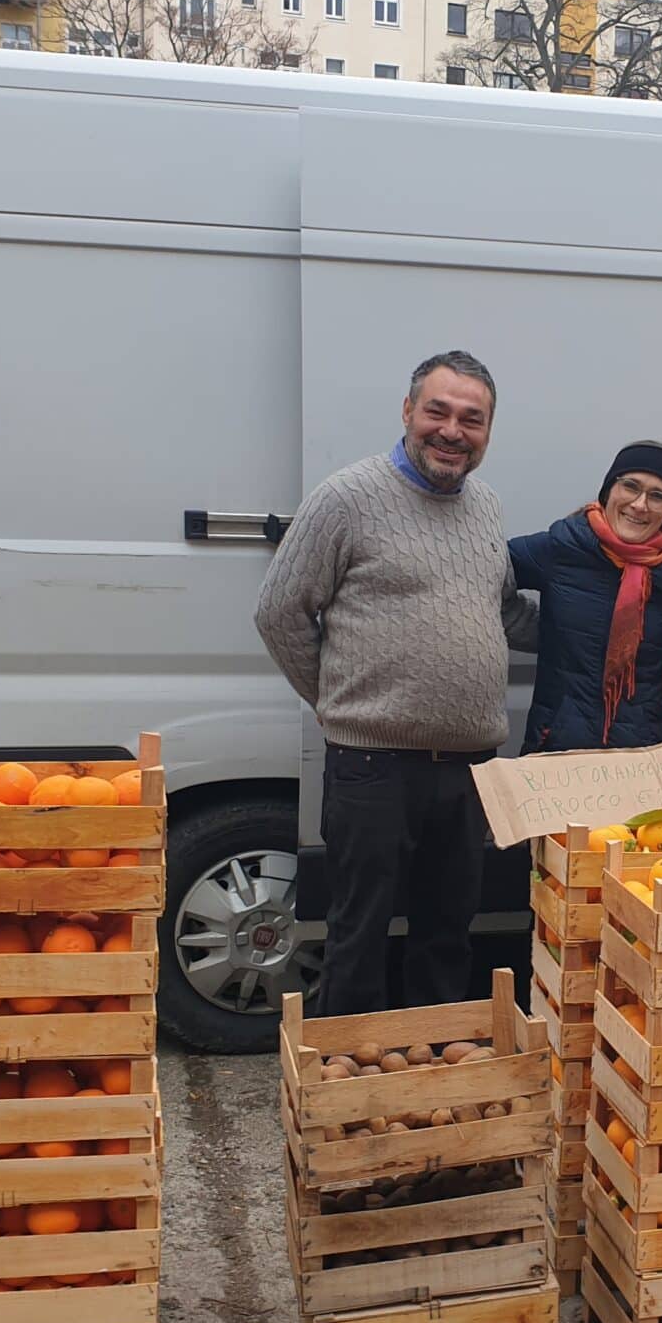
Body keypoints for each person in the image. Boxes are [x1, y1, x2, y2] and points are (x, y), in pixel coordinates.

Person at [252, 350, 534, 1015]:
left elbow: (506, 612)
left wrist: (617, 621)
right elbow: (278, 611)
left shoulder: (487, 508)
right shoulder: (347, 498)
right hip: (372, 766)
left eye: (473, 419)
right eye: (438, 411)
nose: (452, 430)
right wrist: (335, 702)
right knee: (359, 933)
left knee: (448, 929)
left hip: (468, 769)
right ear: (408, 412)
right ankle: (344, 1091)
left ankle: (428, 1076)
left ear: (488, 432)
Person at [507, 441, 662, 753]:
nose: (640, 504)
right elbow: (481, 573)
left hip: (641, 755)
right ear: (608, 491)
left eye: (657, 496)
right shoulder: (562, 547)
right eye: (630, 486)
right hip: (558, 750)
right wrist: (530, 628)